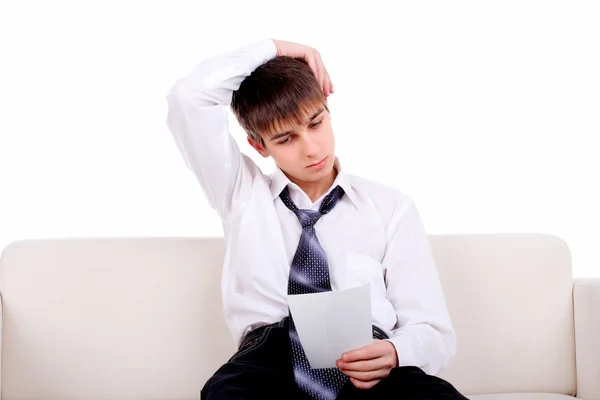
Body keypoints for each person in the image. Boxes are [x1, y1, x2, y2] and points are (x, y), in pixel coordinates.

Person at [166, 38, 468, 400]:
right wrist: (274, 47)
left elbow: (433, 331)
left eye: (315, 123)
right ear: (259, 146)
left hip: (364, 359)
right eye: (286, 138)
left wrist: (396, 352)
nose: (311, 148)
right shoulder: (241, 194)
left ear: (328, 110)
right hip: (270, 360)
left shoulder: (390, 207)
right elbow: (189, 97)